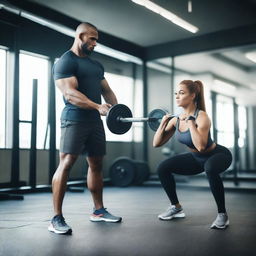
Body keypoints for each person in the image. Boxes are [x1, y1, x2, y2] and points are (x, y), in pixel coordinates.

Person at [48, 22, 122, 235]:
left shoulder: (96, 65)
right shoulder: (65, 62)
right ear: (80, 36)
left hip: (95, 121)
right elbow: (70, 94)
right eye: (92, 39)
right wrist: (97, 106)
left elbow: (107, 91)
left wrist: (118, 112)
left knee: (96, 163)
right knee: (67, 162)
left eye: (96, 39)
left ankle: (98, 211)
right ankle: (56, 218)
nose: (95, 43)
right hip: (74, 118)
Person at [153, 80, 232, 229]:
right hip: (196, 159)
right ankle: (176, 207)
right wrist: (163, 123)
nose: (177, 96)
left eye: (181, 93)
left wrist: (190, 123)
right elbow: (156, 143)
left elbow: (201, 147)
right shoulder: (176, 120)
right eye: (176, 93)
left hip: (217, 155)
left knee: (210, 168)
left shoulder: (202, 117)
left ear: (193, 96)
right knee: (163, 168)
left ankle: (222, 215)